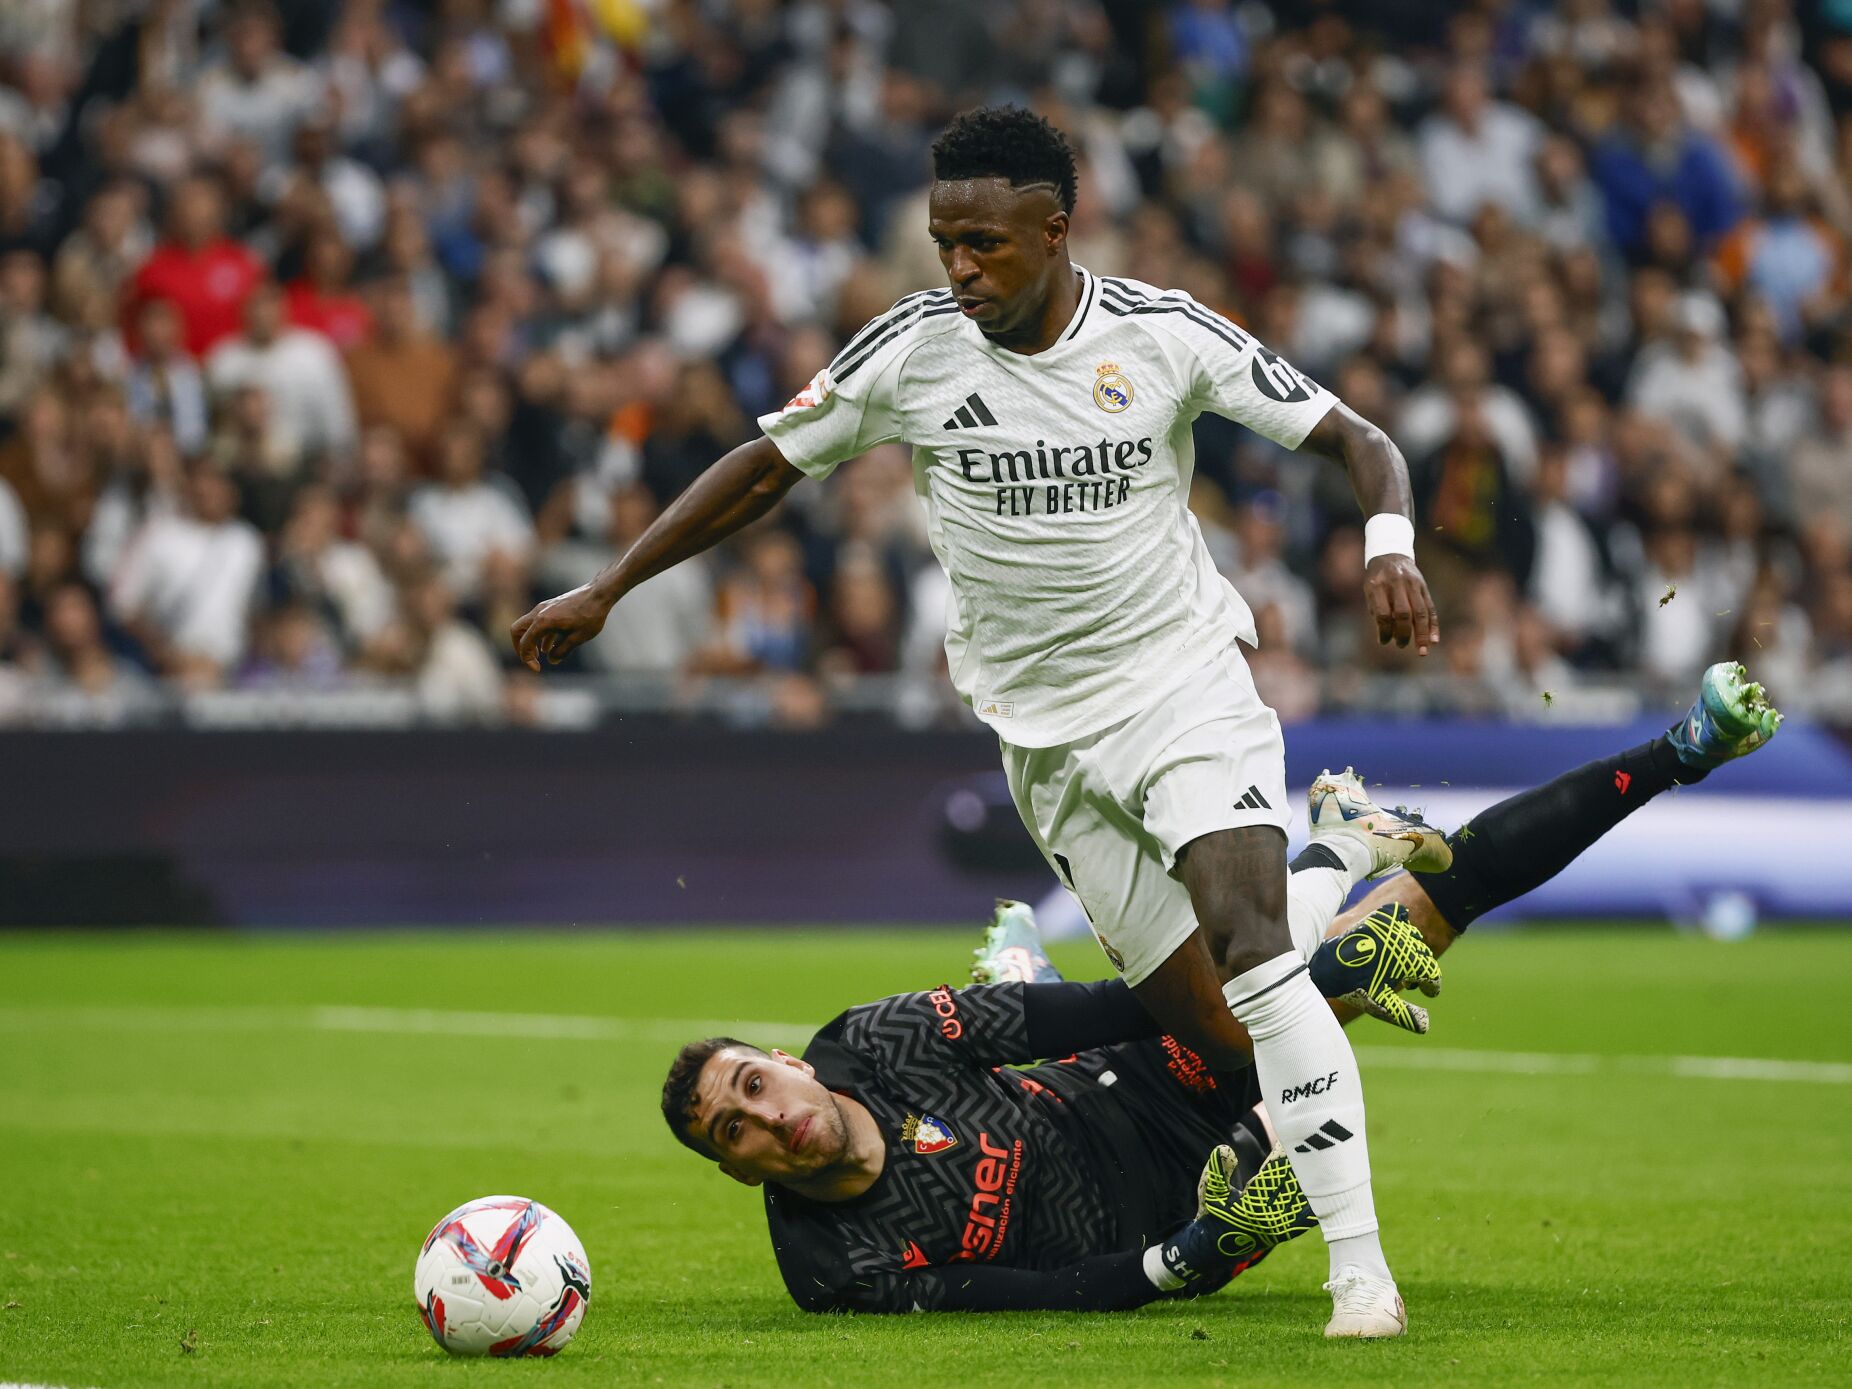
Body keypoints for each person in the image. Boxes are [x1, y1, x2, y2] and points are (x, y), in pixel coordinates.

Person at [516, 106, 1442, 1335]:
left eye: (987, 245)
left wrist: (1390, 548)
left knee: (1253, 955)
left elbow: (1358, 439)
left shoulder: (1161, 336)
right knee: (1211, 1028)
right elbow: (762, 465)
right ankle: (1340, 850)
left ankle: (1359, 1275)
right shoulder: (910, 352)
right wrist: (612, 585)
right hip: (1044, 735)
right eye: (944, 241)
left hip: (1178, 683)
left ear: (1056, 231)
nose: (960, 269)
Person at [659, 662, 1782, 1317]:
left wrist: (1269, 985)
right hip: (1187, 1194)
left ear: (786, 1063)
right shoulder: (832, 1268)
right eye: (734, 1134)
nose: (763, 1119)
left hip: (1144, 1069)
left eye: (749, 1085)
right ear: (734, 1171)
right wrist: (1180, 1264)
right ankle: (1329, 858)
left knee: (1428, 911)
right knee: (1306, 1037)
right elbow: (1046, 1300)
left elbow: (1114, 1005)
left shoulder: (871, 1046)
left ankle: (1682, 750)